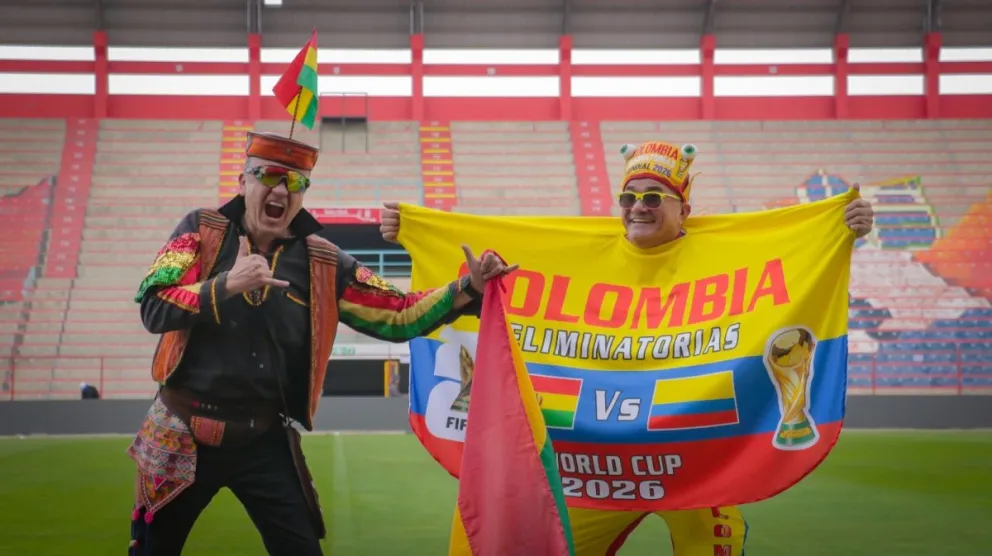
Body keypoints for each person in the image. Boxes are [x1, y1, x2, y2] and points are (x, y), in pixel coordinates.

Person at [380, 139, 875, 556]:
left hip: (697, 463)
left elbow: (802, 260)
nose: (639, 205)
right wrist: (413, 230)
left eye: (655, 197)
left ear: (685, 208)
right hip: (593, 465)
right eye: (629, 196)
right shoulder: (577, 252)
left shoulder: (730, 255)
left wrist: (844, 224)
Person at [125, 130, 515, 556]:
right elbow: (155, 306)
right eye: (269, 175)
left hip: (263, 438)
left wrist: (467, 288)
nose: (280, 190)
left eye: (295, 182)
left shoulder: (323, 260)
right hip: (182, 432)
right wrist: (225, 285)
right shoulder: (202, 229)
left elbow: (397, 312)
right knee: (151, 550)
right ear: (243, 181)